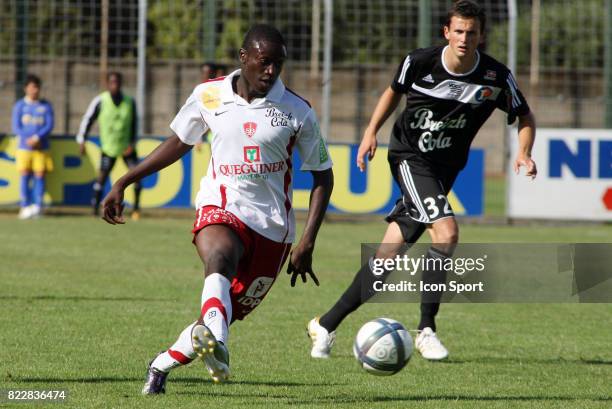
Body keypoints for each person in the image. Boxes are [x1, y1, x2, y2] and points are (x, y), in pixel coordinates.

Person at [100, 24, 334, 394]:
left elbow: (323, 176)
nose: (272, 71)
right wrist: (123, 181)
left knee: (219, 315)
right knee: (219, 256)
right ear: (244, 58)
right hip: (220, 205)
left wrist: (307, 242)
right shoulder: (208, 95)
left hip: (273, 229)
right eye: (265, 62)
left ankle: (160, 365)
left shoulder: (297, 110)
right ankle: (220, 345)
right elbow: (178, 142)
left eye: (279, 64)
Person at [308, 0, 537, 361]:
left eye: (471, 32)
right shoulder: (420, 62)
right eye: (458, 31)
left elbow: (524, 116)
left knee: (387, 257)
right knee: (446, 234)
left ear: (481, 35)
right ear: (446, 32)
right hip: (410, 158)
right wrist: (370, 133)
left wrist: (524, 152)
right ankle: (426, 329)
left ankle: (326, 323)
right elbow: (392, 93)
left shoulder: (494, 77)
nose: (464, 38)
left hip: (445, 170)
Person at [76, 72, 141, 219]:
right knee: (102, 177)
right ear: (107, 84)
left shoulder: (130, 101)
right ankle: (94, 209)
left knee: (137, 174)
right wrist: (82, 140)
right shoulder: (100, 101)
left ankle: (136, 209)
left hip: (126, 147)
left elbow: (135, 124)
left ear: (121, 84)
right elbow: (88, 120)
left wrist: (132, 143)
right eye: (112, 82)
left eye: (117, 82)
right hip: (108, 147)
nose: (115, 85)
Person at [12, 74, 54, 219]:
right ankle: (25, 206)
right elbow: (16, 127)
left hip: (41, 147)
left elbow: (49, 124)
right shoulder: (20, 106)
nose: (34, 90)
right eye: (31, 87)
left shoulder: (45, 105)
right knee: (24, 175)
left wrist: (37, 137)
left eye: (36, 87)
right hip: (24, 148)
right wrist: (28, 138)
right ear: (26, 89)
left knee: (40, 175)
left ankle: (38, 206)